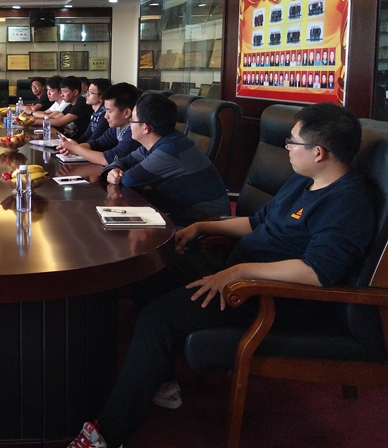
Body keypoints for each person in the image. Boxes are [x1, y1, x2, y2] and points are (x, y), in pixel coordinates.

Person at [68, 103, 375, 448]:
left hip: (271, 295)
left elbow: (317, 272)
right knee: (150, 271)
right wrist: (202, 227)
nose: (287, 147)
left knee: (158, 319)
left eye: (292, 141)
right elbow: (257, 223)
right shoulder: (302, 181)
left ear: (318, 152)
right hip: (238, 269)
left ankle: (108, 434)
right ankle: (159, 379)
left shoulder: (347, 202)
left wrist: (238, 272)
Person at [103, 93, 229, 226]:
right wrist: (115, 169)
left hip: (204, 222)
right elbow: (124, 161)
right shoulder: (156, 144)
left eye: (132, 120)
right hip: (180, 212)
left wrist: (117, 175)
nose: (129, 125)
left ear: (145, 127)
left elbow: (129, 180)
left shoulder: (169, 150)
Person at [58, 83, 140, 166]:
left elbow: (109, 160)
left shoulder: (133, 132)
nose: (105, 116)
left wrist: (76, 149)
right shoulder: (118, 127)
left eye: (109, 111)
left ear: (126, 113)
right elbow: (97, 143)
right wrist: (72, 148)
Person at [74, 79, 111, 143]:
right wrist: (75, 143)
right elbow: (86, 135)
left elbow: (94, 139)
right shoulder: (95, 113)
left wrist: (76, 146)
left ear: (101, 97)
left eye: (91, 92)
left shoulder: (104, 115)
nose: (87, 95)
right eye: (88, 91)